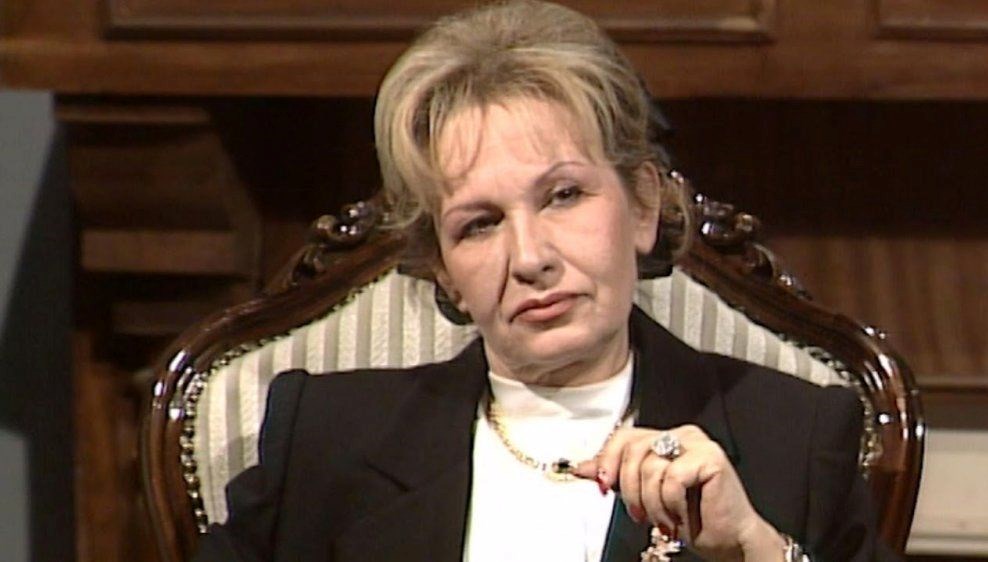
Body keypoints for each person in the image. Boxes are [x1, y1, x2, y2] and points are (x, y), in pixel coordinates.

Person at [193, 1, 899, 561]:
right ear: (444, 270)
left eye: (563, 196)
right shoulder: (325, 437)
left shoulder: (793, 439)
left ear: (642, 206)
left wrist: (755, 549)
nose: (529, 257)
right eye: (479, 224)